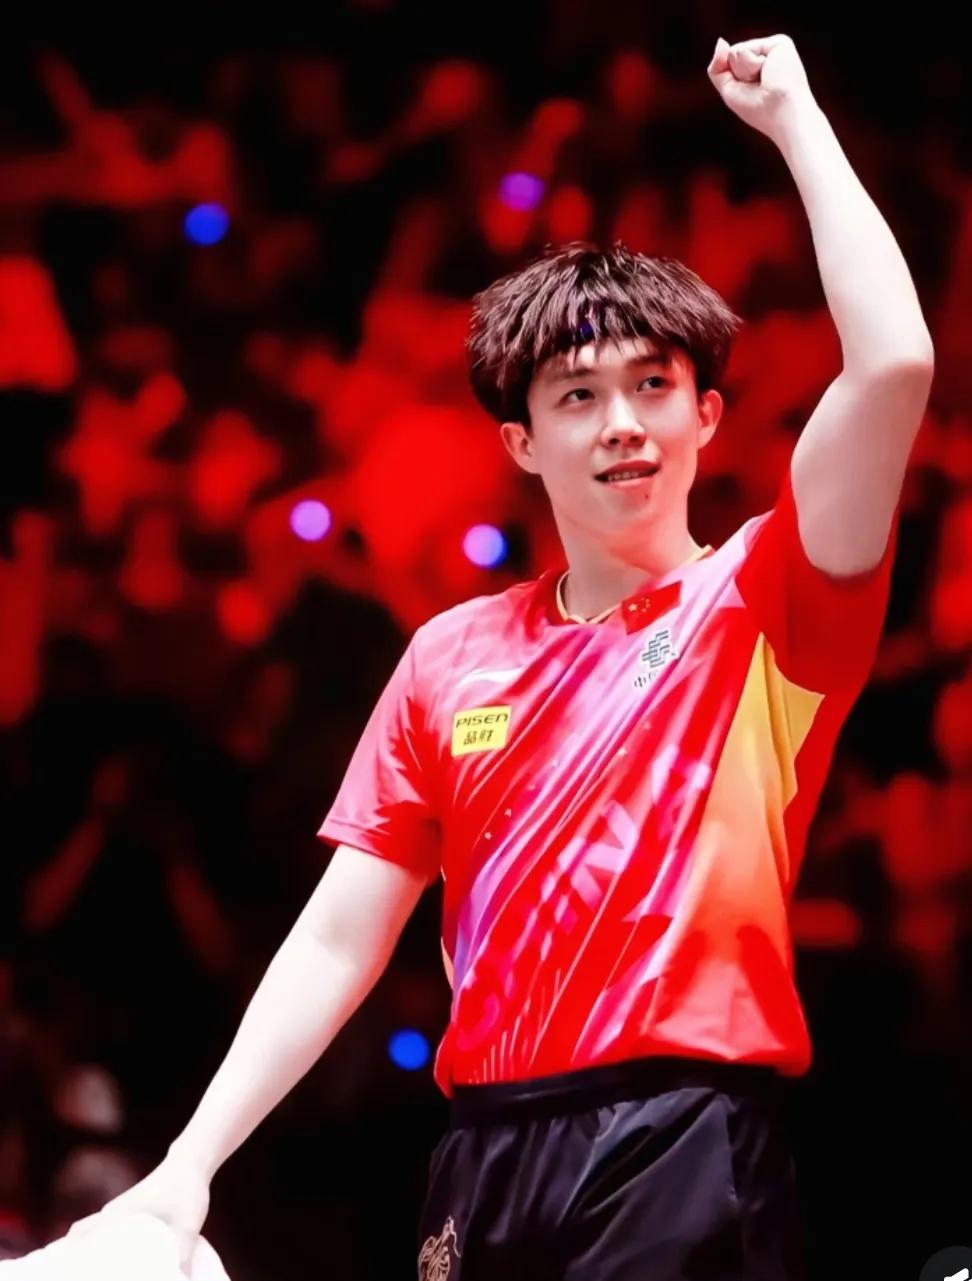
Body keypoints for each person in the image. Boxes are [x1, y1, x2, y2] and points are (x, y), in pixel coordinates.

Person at [68, 34, 934, 1281]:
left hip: (683, 1142)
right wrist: (187, 1167)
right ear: (522, 442)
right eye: (577, 396)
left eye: (654, 386)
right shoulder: (450, 655)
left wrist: (797, 119)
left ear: (707, 416)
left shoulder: (770, 599)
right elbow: (340, 936)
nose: (622, 423)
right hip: (483, 1156)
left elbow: (895, 363)